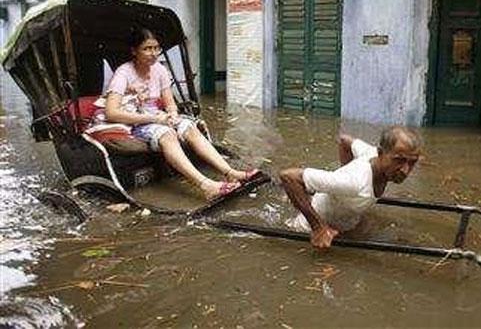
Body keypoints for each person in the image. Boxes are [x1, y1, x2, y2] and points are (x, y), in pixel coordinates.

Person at [104, 28, 259, 200]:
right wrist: (155, 119)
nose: (153, 53)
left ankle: (230, 172)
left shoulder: (160, 70)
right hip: (135, 121)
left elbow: (170, 102)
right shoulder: (124, 72)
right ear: (134, 51)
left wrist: (172, 115)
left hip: (158, 116)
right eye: (147, 48)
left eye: (156, 48)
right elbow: (112, 113)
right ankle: (206, 185)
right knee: (167, 134)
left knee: (189, 127)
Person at [279, 126, 422, 249]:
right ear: (380, 153)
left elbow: (344, 140)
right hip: (307, 234)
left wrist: (340, 181)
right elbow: (288, 176)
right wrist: (318, 228)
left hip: (347, 225)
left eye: (412, 162)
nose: (405, 170)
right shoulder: (354, 182)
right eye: (399, 160)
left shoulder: (370, 153)